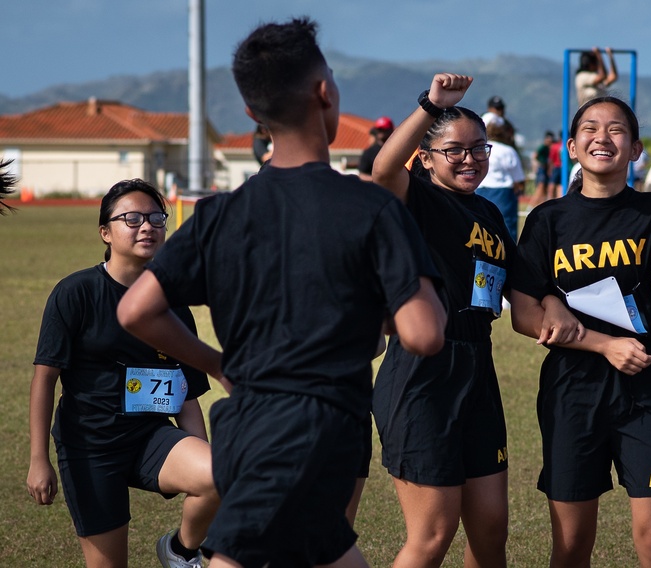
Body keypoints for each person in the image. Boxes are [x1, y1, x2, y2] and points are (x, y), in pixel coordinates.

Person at [117, 18, 447, 568]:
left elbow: (136, 309)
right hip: (310, 431)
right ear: (326, 93)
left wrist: (220, 365)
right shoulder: (371, 207)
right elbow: (424, 332)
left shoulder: (219, 214)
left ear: (253, 114)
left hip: (248, 422)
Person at [370, 73, 564, 568]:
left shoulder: (490, 215)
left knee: (490, 532)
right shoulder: (416, 198)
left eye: (480, 149)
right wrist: (431, 106)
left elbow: (524, 291)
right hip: (423, 372)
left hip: (478, 367)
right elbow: (383, 168)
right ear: (428, 157)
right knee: (433, 535)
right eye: (454, 150)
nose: (470, 159)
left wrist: (556, 304)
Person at [510, 96, 651, 567]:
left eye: (616, 130)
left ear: (635, 150)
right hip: (572, 386)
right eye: (590, 128)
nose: (602, 137)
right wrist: (603, 344)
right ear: (572, 146)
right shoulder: (548, 220)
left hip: (645, 383)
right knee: (570, 547)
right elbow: (523, 313)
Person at [27, 178, 218, 568]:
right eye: (131, 218)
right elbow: (44, 379)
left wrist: (204, 458)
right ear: (105, 232)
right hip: (90, 446)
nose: (146, 226)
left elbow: (186, 394)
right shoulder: (75, 292)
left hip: (149, 437)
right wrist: (37, 458)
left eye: (155, 218)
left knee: (222, 473)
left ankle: (180, 552)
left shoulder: (174, 306)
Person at [477, 120, 526, 240]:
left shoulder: (481, 149)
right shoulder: (508, 151)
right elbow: (519, 178)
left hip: (481, 191)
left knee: (481, 228)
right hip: (503, 194)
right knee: (506, 229)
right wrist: (520, 191)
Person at [357, 116, 394, 181]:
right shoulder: (369, 152)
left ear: (391, 130)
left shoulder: (395, 150)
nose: (381, 132)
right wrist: (377, 180)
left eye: (384, 129)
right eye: (379, 130)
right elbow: (361, 175)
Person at [531, 131, 554, 206]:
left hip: (546, 169)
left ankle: (540, 204)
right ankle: (532, 204)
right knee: (540, 186)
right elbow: (534, 156)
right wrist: (536, 167)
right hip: (541, 169)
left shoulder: (549, 148)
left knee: (545, 188)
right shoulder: (542, 147)